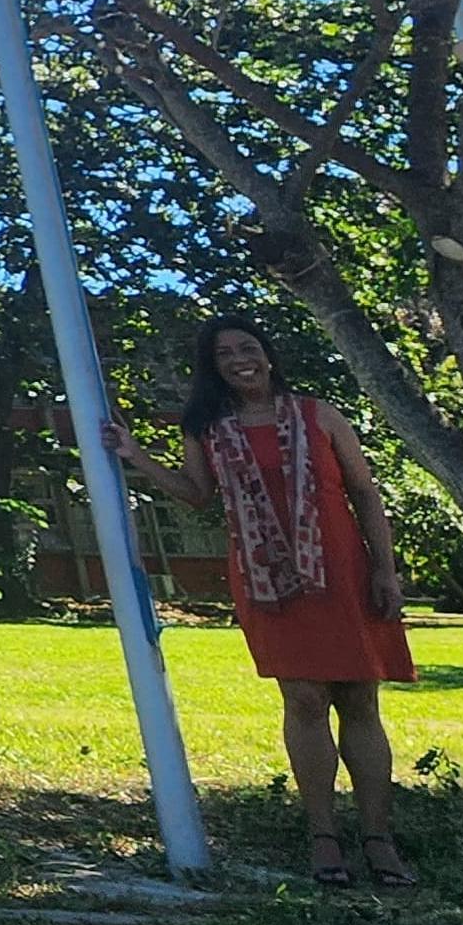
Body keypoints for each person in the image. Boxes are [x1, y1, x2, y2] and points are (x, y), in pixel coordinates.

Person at [105, 315, 417, 890]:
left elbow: (366, 491)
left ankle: (379, 838)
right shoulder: (206, 429)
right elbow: (198, 497)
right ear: (214, 368)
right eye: (224, 354)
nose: (238, 359)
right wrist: (135, 456)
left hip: (343, 570)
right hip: (266, 579)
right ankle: (323, 834)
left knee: (359, 698)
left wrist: (386, 570)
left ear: (268, 355)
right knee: (303, 697)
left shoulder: (318, 414)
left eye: (247, 347)